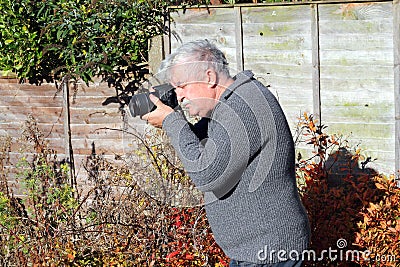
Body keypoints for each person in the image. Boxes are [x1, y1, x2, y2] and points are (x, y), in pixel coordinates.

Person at [142, 39, 310, 266]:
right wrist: (170, 114)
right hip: (257, 251)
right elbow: (206, 143)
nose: (180, 95)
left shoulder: (242, 107)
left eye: (182, 85)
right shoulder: (232, 102)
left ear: (209, 77)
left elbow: (207, 173)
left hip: (268, 254)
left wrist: (172, 121)